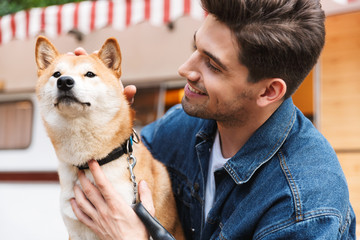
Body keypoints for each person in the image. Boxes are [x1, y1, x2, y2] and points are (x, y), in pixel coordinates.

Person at [71, 0, 357, 239]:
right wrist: (105, 117)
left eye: (213, 65)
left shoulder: (305, 207)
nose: (185, 69)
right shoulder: (183, 125)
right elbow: (124, 168)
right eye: (195, 47)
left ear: (269, 91)